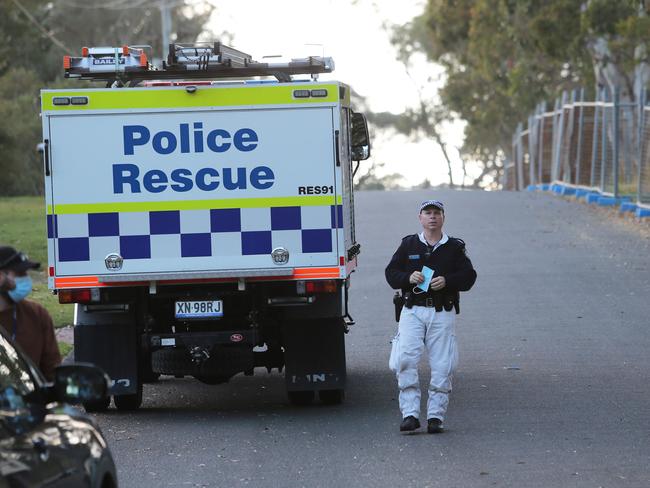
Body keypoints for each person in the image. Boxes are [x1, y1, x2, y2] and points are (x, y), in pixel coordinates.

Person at [385, 199, 477, 433]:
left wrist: (448, 281)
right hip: (412, 311)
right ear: (420, 217)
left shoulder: (454, 247)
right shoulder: (409, 244)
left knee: (443, 365)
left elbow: (469, 276)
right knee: (404, 360)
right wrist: (408, 278)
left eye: (437, 213)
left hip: (441, 312)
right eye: (428, 213)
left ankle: (436, 417)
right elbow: (391, 273)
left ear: (443, 218)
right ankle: (410, 414)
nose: (432, 217)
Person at [0, 245, 61, 380]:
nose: (26, 279)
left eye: (26, 273)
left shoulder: (37, 315)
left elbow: (52, 372)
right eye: (20, 273)